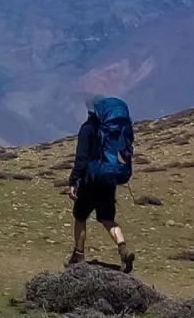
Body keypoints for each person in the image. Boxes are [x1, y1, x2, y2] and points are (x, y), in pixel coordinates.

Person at [67, 97, 135, 273]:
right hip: (108, 180)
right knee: (107, 218)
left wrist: (73, 181)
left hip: (90, 180)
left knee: (80, 217)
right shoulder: (115, 130)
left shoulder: (88, 129)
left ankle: (79, 255)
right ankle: (123, 248)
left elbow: (81, 159)